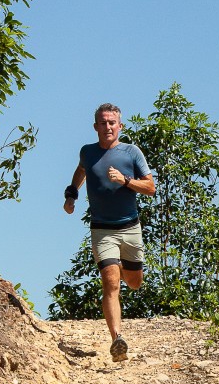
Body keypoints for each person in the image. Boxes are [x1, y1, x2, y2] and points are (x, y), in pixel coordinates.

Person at [64, 102, 155, 362]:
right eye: (103, 123)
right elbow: (81, 170)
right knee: (110, 282)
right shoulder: (87, 152)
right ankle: (117, 339)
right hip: (102, 229)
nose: (107, 127)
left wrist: (125, 180)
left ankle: (126, 268)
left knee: (134, 283)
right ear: (95, 127)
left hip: (130, 228)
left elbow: (150, 188)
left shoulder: (131, 153)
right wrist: (72, 194)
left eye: (112, 122)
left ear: (120, 126)